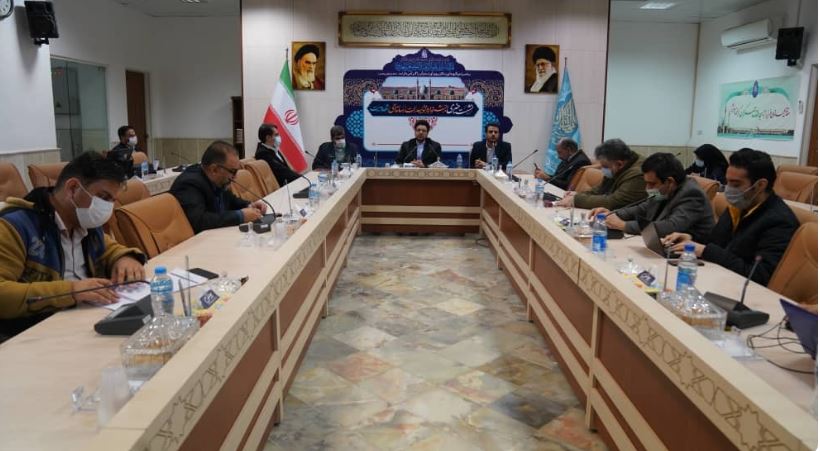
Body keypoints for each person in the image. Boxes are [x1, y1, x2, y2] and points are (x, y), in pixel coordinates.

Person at [0, 151, 146, 337]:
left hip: (85, 320)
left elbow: (109, 248)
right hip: (33, 332)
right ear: (72, 188)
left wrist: (125, 258)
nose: (107, 207)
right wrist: (71, 291)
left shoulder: (84, 222)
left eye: (112, 200)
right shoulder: (15, 226)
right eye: (103, 197)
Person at [665, 148, 798, 285]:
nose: (728, 189)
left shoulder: (780, 222)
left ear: (760, 185)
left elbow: (759, 275)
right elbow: (716, 242)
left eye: (736, 184)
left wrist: (705, 251)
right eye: (727, 182)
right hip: (718, 279)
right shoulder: (738, 207)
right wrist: (691, 239)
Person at [587, 152, 714, 242]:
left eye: (652, 184)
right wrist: (612, 214)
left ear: (669, 181)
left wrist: (623, 225)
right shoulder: (665, 190)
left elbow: (670, 226)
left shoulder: (691, 194)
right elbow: (642, 208)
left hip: (694, 257)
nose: (647, 188)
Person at [170, 140, 267, 234]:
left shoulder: (217, 180)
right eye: (233, 171)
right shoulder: (190, 184)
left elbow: (230, 199)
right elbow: (200, 221)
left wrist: (248, 205)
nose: (235, 177)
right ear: (214, 169)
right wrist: (240, 216)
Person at [555, 139, 646, 210]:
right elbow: (601, 189)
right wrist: (578, 194)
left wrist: (576, 200)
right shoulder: (620, 164)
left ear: (619, 164)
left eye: (605, 167)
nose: (602, 170)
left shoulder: (637, 175)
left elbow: (614, 202)